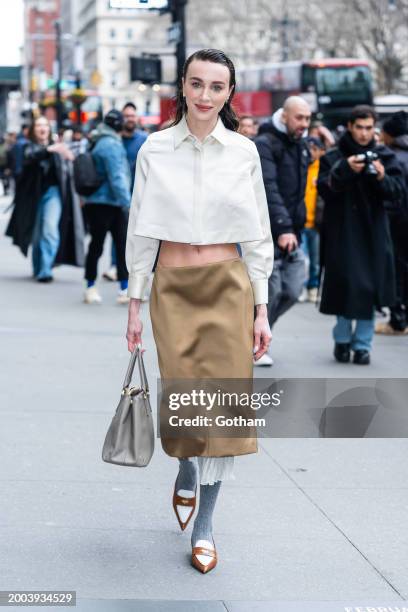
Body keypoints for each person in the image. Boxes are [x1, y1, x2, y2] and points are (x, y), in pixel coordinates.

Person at [125, 48, 273, 573]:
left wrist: (261, 307)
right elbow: (141, 225)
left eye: (217, 87)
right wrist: (135, 302)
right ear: (182, 88)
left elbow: (257, 232)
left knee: (224, 410)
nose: (205, 95)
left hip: (229, 286)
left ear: (229, 93)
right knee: (186, 401)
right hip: (173, 288)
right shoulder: (155, 149)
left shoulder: (244, 153)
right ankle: (187, 467)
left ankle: (206, 526)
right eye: (197, 84)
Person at [317, 105, 404, 365]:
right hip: (342, 233)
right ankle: (342, 341)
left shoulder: (384, 157)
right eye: (360, 128)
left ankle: (363, 346)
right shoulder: (334, 156)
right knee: (345, 288)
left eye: (369, 128)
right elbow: (324, 189)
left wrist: (380, 176)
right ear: (351, 127)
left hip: (373, 234)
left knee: (368, 290)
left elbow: (397, 193)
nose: (364, 134)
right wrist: (345, 170)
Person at [254, 96, 311, 365]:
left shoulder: (301, 146)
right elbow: (269, 188)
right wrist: (284, 227)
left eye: (308, 118)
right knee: (272, 291)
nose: (304, 124)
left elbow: (298, 194)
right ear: (285, 116)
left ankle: (259, 336)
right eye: (299, 118)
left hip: (292, 234)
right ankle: (254, 343)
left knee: (293, 289)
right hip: (269, 231)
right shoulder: (265, 144)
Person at [5, 116, 85, 281]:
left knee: (49, 230)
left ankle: (45, 269)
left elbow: (70, 168)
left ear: (49, 129)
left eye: (45, 125)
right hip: (32, 196)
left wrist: (69, 157)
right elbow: (29, 159)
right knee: (36, 235)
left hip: (53, 193)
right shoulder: (27, 146)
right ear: (34, 129)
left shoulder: (57, 147)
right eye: (39, 125)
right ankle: (38, 267)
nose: (42, 129)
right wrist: (49, 150)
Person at [83, 109, 131, 304]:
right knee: (121, 247)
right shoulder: (111, 144)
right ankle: (124, 289)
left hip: (96, 202)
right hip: (111, 202)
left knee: (96, 245)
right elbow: (117, 176)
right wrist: (127, 202)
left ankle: (90, 286)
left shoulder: (97, 139)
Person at [103, 102, 148, 283]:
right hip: (119, 195)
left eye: (132, 115)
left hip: (142, 193)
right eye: (126, 116)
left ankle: (136, 268)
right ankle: (116, 265)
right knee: (119, 232)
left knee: (140, 234)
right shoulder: (114, 140)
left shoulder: (145, 139)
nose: (130, 119)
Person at [375, 111, 408, 335]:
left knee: (396, 270)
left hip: (397, 224)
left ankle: (398, 320)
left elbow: (393, 194)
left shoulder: (392, 158)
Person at [298, 136, 326, 303]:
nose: (311, 153)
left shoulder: (323, 168)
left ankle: (313, 288)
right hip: (301, 222)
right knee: (301, 260)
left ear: (321, 151)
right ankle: (301, 287)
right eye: (309, 149)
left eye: (315, 149)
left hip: (316, 223)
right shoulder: (301, 166)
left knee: (315, 261)